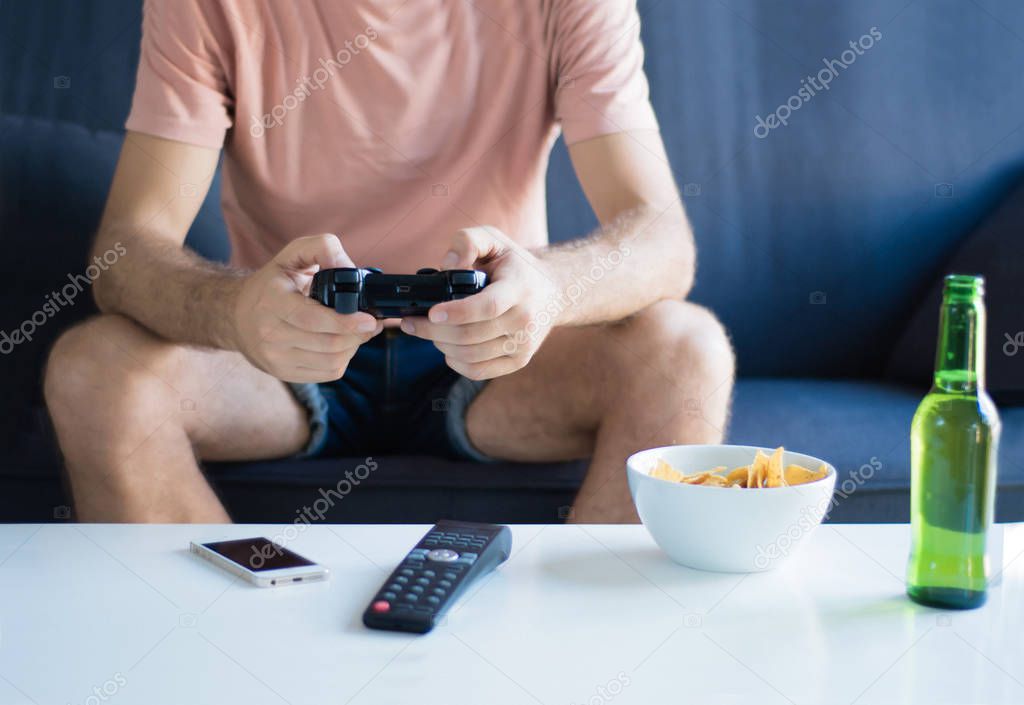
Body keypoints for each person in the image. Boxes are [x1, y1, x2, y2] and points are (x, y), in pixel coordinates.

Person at [44, 0, 733, 523]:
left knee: (688, 350)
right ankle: (219, 664)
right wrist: (235, 313)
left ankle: (587, 665)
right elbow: (123, 253)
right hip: (281, 363)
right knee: (95, 370)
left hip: (497, 360)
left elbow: (663, 237)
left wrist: (550, 289)